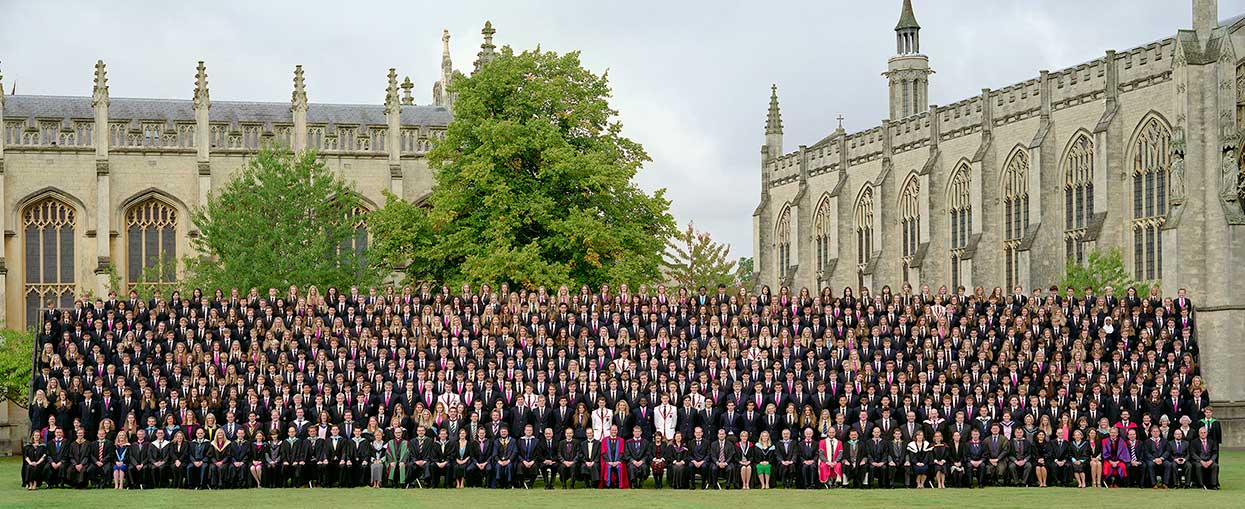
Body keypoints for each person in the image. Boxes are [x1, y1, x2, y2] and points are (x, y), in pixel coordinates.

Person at [599, 424, 629, 489]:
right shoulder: (604, 440)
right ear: (610, 430)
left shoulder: (621, 440)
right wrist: (609, 462)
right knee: (608, 467)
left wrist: (617, 461)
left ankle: (620, 485)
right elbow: (603, 453)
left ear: (617, 431)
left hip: (618, 461)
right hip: (608, 461)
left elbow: (622, 452)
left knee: (619, 467)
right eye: (612, 430)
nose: (614, 431)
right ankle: (608, 485)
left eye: (615, 430)